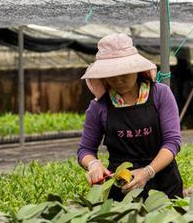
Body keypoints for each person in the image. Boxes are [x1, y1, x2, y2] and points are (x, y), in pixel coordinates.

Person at [77, 33, 183, 200]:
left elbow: (172, 142)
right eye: (111, 74)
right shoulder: (98, 107)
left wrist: (148, 171)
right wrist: (93, 164)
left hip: (164, 184)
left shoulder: (160, 94)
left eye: (124, 72)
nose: (118, 79)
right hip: (122, 189)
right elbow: (85, 150)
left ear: (136, 69)